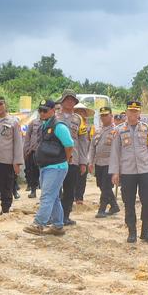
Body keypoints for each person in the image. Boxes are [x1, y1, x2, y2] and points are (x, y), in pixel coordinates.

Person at [110, 101, 148, 243]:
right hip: (127, 171)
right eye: (130, 111)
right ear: (126, 112)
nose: (133, 114)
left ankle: (145, 231)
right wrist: (115, 172)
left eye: (135, 111)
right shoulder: (119, 130)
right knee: (129, 202)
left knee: (147, 201)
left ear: (139, 113)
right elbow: (115, 152)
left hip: (145, 170)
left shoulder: (146, 128)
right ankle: (132, 231)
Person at [25, 100, 74, 235]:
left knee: (46, 196)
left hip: (56, 166)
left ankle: (38, 224)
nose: (42, 113)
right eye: (40, 110)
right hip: (46, 166)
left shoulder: (59, 126)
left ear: (53, 110)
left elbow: (69, 144)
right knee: (53, 197)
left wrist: (66, 158)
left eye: (45, 110)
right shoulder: (44, 125)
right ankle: (58, 225)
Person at [55, 92, 87, 226]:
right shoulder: (55, 117)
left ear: (75, 103)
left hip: (73, 160)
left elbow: (83, 141)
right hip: (56, 159)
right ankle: (55, 216)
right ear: (61, 102)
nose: (69, 102)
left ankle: (65, 216)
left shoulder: (79, 119)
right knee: (55, 190)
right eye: (66, 99)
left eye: (72, 100)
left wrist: (83, 162)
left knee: (69, 190)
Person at [91, 106, 120, 217]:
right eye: (101, 115)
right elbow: (92, 147)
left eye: (105, 115)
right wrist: (91, 161)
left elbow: (118, 148)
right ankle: (114, 205)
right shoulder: (98, 130)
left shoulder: (116, 130)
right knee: (101, 186)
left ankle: (102, 209)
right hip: (98, 162)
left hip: (110, 163)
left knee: (106, 186)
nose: (103, 117)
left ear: (111, 116)